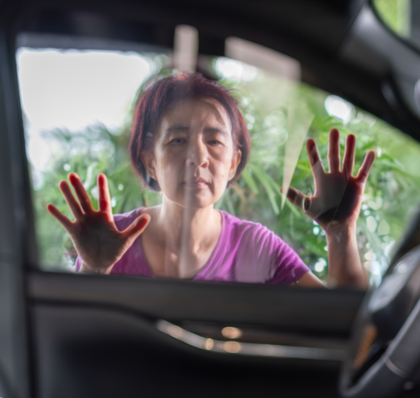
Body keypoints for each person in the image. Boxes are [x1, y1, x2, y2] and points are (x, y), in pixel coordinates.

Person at [46, 72, 375, 289]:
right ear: (150, 161)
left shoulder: (257, 247)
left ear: (233, 163)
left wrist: (340, 232)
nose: (198, 157)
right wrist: (94, 270)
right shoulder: (112, 241)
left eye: (214, 141)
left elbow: (339, 320)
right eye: (178, 140)